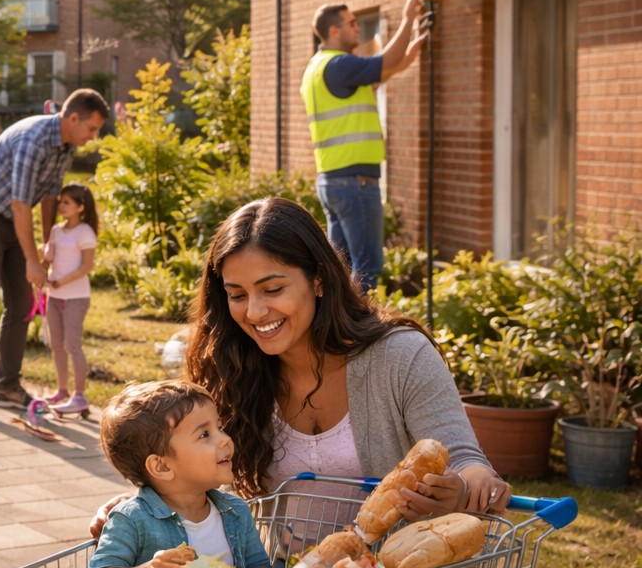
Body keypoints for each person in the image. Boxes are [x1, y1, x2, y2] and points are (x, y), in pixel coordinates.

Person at [87, 198, 507, 544]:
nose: (254, 312)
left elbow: (466, 459)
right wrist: (139, 507)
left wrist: (463, 488)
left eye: (273, 290)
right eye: (237, 295)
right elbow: (194, 467)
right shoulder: (230, 366)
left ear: (319, 279)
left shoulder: (400, 357)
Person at [0, 88, 109, 414]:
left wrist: (49, 239)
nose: (94, 136)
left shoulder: (66, 146)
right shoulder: (33, 139)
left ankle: (7, 387)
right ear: (74, 117)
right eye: (92, 128)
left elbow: (49, 196)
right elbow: (21, 203)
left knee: (21, 304)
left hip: (11, 221)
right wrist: (32, 261)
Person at [89, 380, 275, 568]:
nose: (225, 439)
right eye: (205, 434)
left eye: (220, 427)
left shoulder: (236, 511)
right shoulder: (131, 520)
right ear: (162, 467)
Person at [303, 0, 426, 290]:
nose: (358, 29)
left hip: (334, 182)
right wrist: (408, 18)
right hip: (354, 184)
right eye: (352, 23)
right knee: (366, 269)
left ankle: (338, 332)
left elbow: (382, 73)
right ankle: (364, 335)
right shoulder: (339, 64)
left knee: (341, 271)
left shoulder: (318, 68)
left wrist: (410, 51)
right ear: (334, 31)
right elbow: (386, 62)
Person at [42, 182, 98, 416]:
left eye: (67, 202)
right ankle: (62, 391)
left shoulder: (85, 232)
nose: (61, 206)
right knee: (57, 346)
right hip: (54, 296)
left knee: (72, 345)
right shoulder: (55, 230)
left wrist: (61, 282)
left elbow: (87, 265)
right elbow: (50, 259)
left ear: (81, 207)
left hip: (75, 296)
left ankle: (80, 396)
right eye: (61, 201)